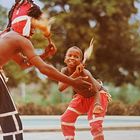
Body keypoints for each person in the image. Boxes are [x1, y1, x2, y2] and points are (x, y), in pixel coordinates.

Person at [0, 1, 92, 140]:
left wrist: (44, 55)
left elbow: (23, 63)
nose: (34, 31)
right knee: (12, 126)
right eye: (34, 26)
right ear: (26, 21)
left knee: (9, 122)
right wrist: (73, 81)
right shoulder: (19, 40)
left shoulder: (7, 36)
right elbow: (44, 68)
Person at [58, 46, 111, 140]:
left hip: (98, 97)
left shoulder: (85, 73)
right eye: (69, 55)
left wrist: (97, 104)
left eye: (76, 56)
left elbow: (96, 92)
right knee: (65, 119)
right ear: (65, 58)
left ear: (80, 61)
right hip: (82, 97)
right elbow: (61, 88)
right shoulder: (64, 71)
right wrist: (75, 74)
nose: (72, 58)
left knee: (95, 124)